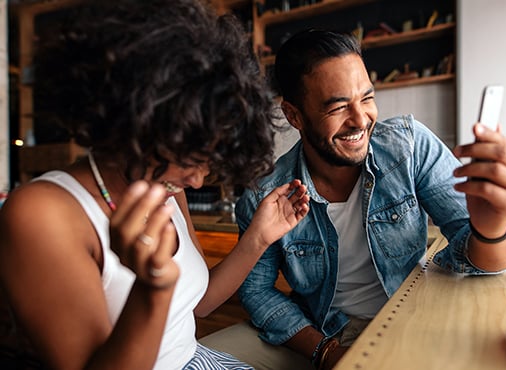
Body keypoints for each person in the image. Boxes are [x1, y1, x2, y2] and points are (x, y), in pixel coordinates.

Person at [199, 29, 506, 370]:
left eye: (366, 98)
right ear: (294, 115)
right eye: (338, 107)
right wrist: (325, 351)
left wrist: (492, 227)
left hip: (407, 318)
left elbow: (483, 262)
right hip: (319, 329)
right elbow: (257, 292)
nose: (360, 120)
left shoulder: (409, 147)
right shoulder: (266, 192)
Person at [0, 1, 311, 369]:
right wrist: (152, 289)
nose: (196, 181)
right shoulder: (42, 216)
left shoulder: (166, 186)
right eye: (191, 159)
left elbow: (201, 303)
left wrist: (260, 235)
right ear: (134, 121)